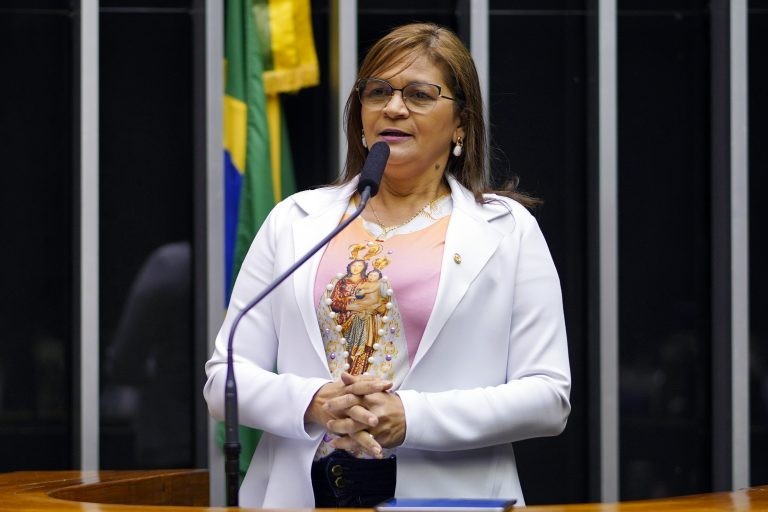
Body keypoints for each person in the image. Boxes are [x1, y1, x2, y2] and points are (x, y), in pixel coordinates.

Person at [204, 22, 571, 509]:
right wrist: (314, 402)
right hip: (302, 496)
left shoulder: (508, 230)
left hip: (452, 499)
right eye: (377, 91)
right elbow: (224, 379)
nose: (393, 106)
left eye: (419, 94)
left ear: (461, 123)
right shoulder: (295, 220)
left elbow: (548, 398)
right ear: (359, 115)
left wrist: (411, 416)